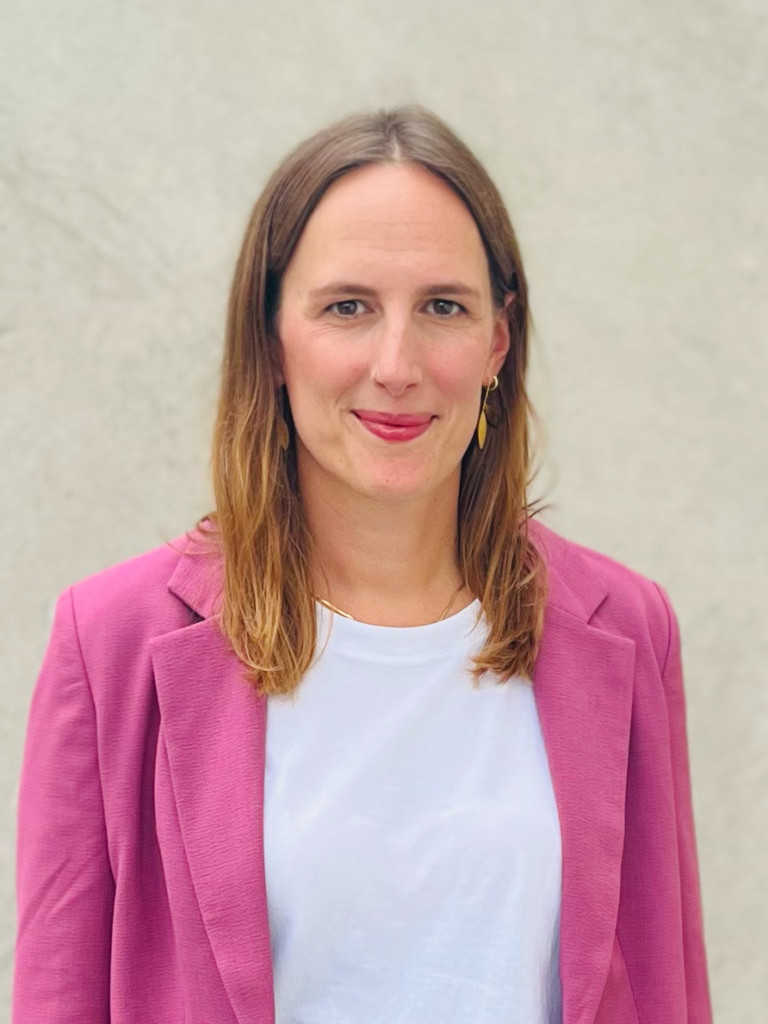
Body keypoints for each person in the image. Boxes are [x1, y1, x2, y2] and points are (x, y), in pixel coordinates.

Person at [14, 106, 712, 1024]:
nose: (396, 364)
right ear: (271, 338)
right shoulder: (111, 643)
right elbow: (57, 998)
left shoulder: (625, 626)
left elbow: (666, 988)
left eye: (442, 308)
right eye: (348, 307)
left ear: (497, 342)